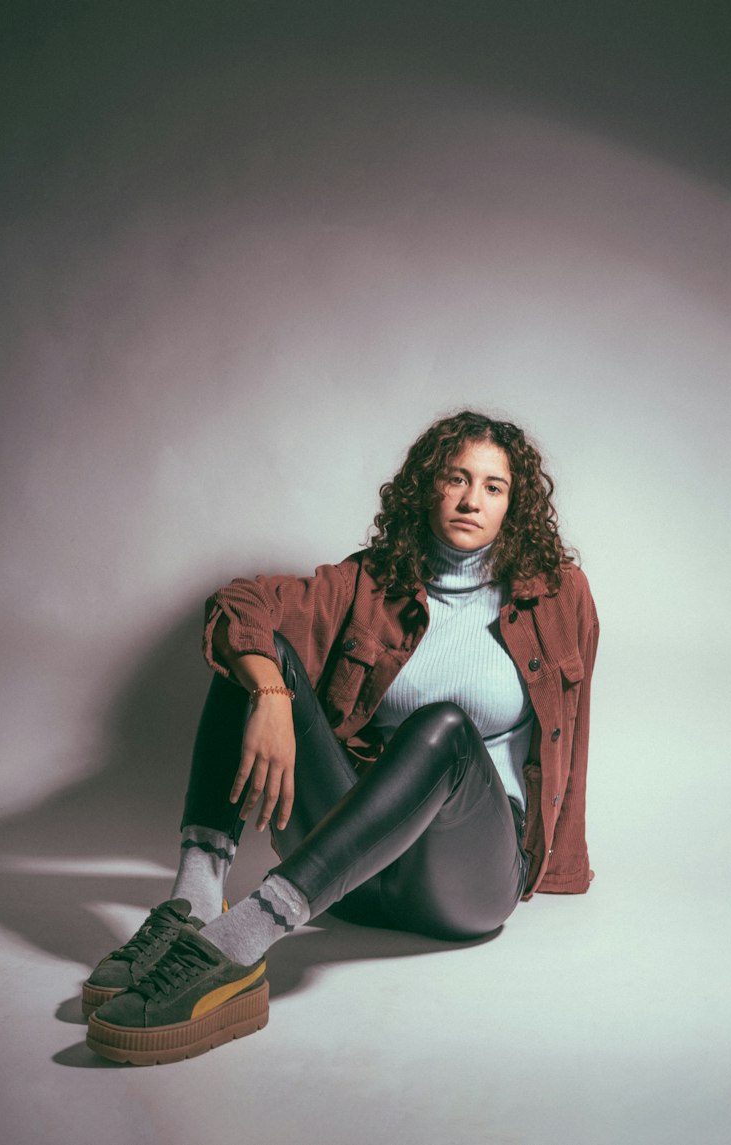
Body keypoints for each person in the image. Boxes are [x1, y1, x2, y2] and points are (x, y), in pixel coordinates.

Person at [83, 410, 599, 1065]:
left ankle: (238, 942)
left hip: (468, 879)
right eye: (456, 478)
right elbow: (238, 606)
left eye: (493, 486)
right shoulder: (368, 584)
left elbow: (574, 738)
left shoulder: (559, 596)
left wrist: (562, 868)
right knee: (254, 650)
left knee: (444, 728)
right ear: (425, 486)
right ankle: (192, 902)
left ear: (515, 503)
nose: (472, 499)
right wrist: (270, 691)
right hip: (355, 874)